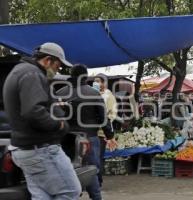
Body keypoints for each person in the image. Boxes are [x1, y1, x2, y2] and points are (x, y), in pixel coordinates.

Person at [3, 42, 82, 199]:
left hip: (25, 149)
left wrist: (52, 106)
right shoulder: (32, 74)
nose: (57, 70)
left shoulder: (20, 71)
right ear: (47, 60)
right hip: (41, 150)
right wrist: (59, 124)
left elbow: (30, 106)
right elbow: (33, 111)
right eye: (57, 66)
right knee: (71, 191)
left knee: (42, 195)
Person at [57, 65, 115, 200]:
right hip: (89, 137)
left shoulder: (59, 93)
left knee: (66, 170)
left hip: (65, 139)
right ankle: (96, 197)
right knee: (91, 169)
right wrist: (110, 136)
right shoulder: (93, 93)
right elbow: (103, 118)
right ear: (85, 76)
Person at [92, 76, 118, 188]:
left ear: (104, 83)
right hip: (91, 131)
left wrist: (105, 124)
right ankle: (92, 181)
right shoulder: (91, 94)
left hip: (102, 132)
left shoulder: (109, 96)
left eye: (97, 81)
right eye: (94, 81)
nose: (95, 83)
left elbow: (112, 114)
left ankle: (98, 181)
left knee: (98, 157)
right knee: (92, 157)